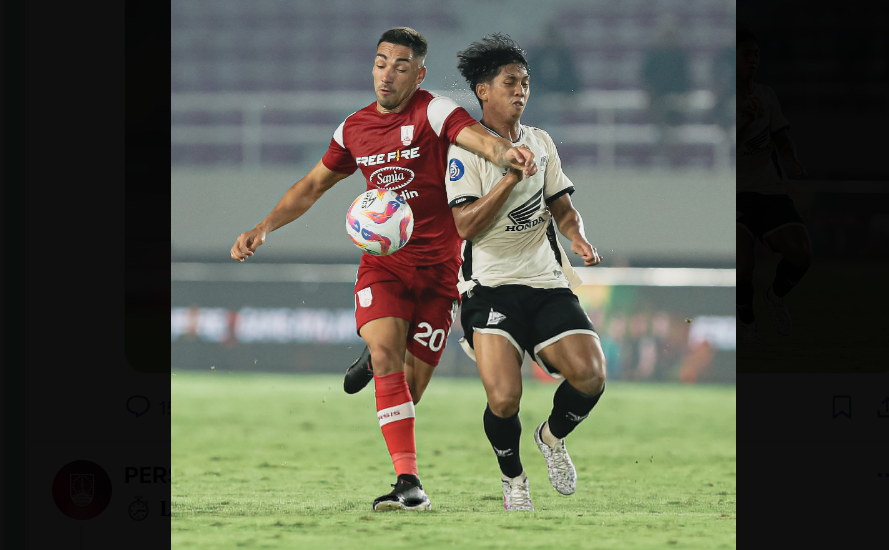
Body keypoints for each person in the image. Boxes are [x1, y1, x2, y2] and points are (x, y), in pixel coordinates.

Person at [230, 27, 538, 512]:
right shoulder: (353, 128)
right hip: (385, 267)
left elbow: (476, 138)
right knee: (389, 358)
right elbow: (312, 185)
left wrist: (506, 154)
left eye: (400, 65)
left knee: (407, 392)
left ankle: (375, 359)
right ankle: (409, 483)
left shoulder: (433, 111)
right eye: (380, 62)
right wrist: (264, 227)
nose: (387, 74)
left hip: (440, 274)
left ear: (419, 74)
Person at [447, 33, 607, 511]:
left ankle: (552, 438)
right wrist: (510, 178)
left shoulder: (540, 142)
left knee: (591, 376)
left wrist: (574, 234)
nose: (521, 91)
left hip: (544, 281)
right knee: (503, 400)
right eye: (511, 82)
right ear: (484, 91)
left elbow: (562, 204)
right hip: (489, 288)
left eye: (526, 83)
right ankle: (513, 479)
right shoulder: (466, 152)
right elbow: (466, 224)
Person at [735, 26, 812, 348]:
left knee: (801, 255)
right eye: (745, 55)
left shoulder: (766, 95)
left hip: (768, 189)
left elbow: (780, 136)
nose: (752, 60)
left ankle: (775, 296)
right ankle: (748, 322)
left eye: (756, 55)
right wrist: (743, 121)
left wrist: (791, 160)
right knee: (743, 267)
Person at [641, 15, 691, 166]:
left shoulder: (680, 55)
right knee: (660, 120)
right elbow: (646, 77)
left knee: (673, 122)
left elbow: (686, 80)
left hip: (676, 98)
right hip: (659, 99)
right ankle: (664, 155)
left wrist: (681, 96)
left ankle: (673, 156)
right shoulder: (654, 55)